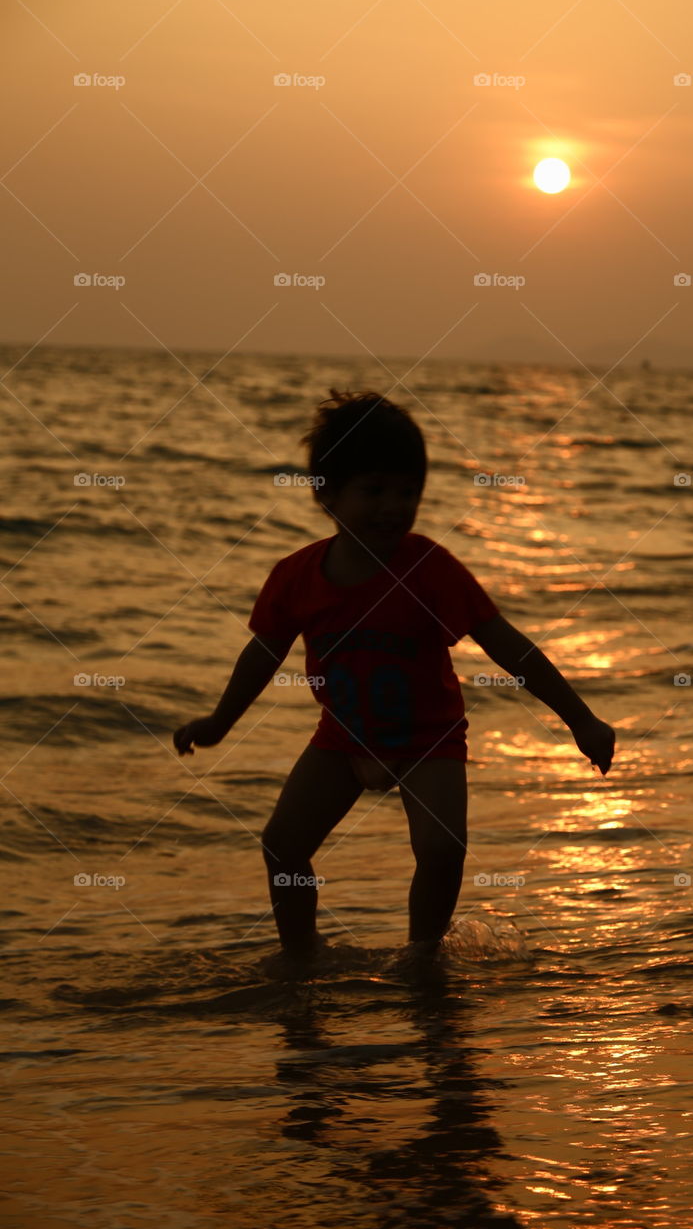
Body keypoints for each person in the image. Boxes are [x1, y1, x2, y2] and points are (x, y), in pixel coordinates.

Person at [173, 389, 615, 958]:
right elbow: (262, 655)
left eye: (408, 492)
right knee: (283, 843)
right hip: (342, 738)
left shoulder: (429, 569)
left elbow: (510, 647)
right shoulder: (296, 577)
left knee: (442, 848)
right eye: (374, 490)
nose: (393, 506)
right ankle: (302, 953)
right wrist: (218, 723)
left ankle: (423, 954)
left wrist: (581, 720)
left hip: (429, 740)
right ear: (326, 494)